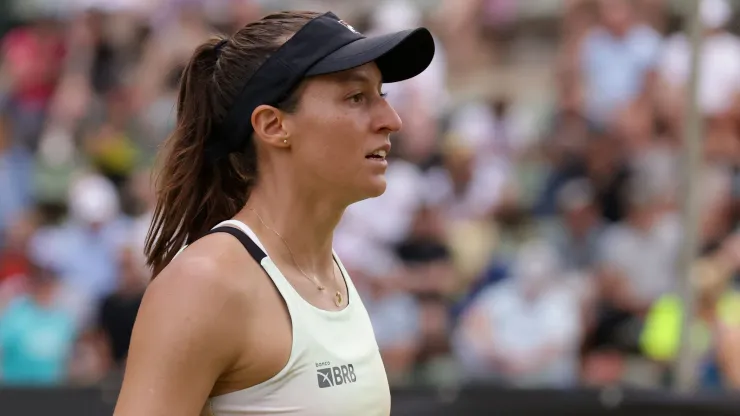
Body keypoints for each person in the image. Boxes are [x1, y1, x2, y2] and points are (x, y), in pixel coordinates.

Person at [113, 10, 434, 416]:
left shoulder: (331, 271)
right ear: (272, 125)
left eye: (381, 96)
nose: (392, 121)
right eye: (356, 97)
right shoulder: (206, 283)